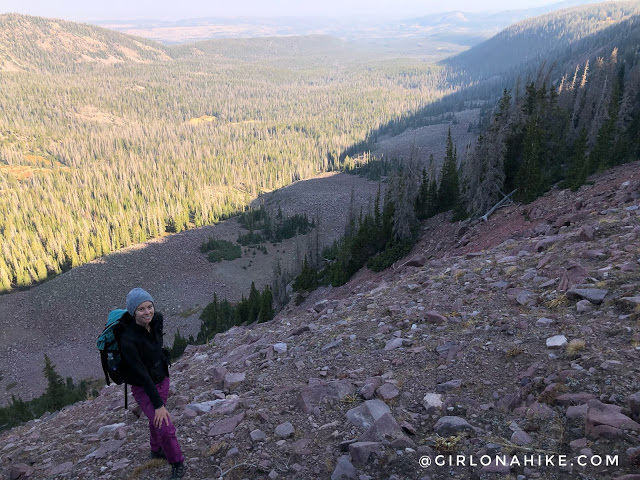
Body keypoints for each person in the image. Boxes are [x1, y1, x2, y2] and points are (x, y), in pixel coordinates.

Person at [120, 287, 186, 480]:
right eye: (141, 309)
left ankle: (156, 449)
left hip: (163, 378)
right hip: (143, 387)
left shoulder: (157, 319)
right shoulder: (128, 339)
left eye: (150, 307)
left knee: (156, 420)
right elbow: (141, 375)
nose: (147, 312)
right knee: (165, 425)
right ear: (133, 312)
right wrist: (157, 405)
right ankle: (177, 462)